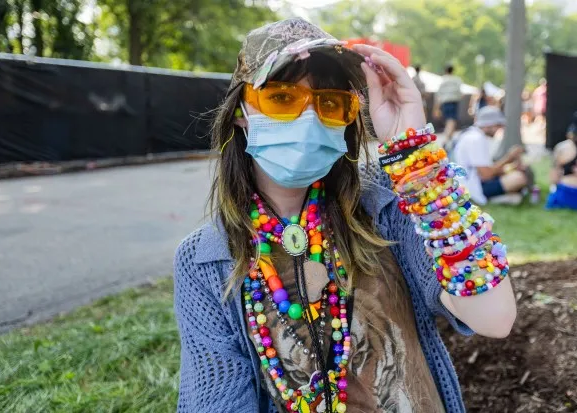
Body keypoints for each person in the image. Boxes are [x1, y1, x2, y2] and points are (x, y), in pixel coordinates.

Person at [173, 18, 516, 413]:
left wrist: (417, 160)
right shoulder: (205, 260)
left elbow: (494, 317)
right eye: (281, 98)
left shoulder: (388, 207)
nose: (309, 118)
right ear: (240, 111)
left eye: (331, 103)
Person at [454, 106, 530, 205]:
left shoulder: (473, 135)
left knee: (516, 173)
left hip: (474, 181)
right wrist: (509, 158)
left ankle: (508, 196)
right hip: (473, 187)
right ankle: (498, 198)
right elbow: (487, 175)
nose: (499, 129)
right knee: (519, 178)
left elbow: (488, 169)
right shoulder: (476, 139)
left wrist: (511, 167)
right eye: (498, 125)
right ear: (488, 124)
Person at [434, 64, 463, 144]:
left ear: (445, 70)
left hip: (445, 103)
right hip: (454, 102)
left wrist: (436, 108)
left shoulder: (443, 80)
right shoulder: (457, 80)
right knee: (452, 120)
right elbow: (460, 93)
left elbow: (438, 95)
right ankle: (448, 137)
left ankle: (448, 137)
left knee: (449, 120)